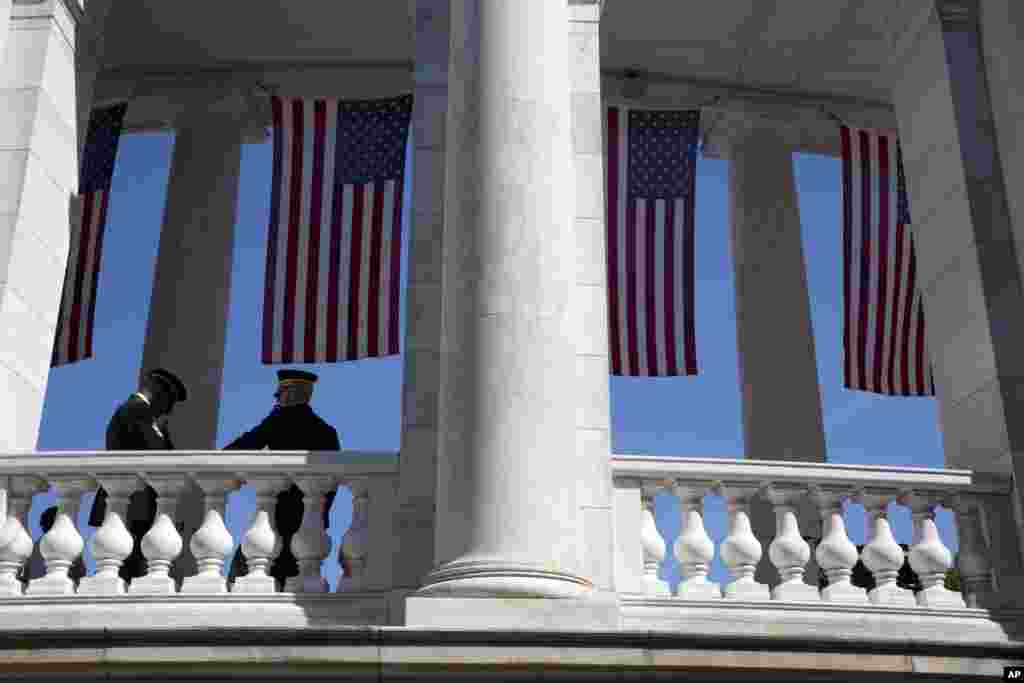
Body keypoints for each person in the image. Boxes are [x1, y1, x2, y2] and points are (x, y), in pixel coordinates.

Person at [224, 369, 340, 590]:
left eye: (279, 393)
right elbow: (331, 486)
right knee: (296, 587)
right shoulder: (327, 432)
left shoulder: (279, 420)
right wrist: (320, 516)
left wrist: (216, 458)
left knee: (241, 579)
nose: (276, 398)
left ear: (291, 394)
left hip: (276, 519)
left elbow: (246, 444)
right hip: (310, 523)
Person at [86, 368, 188, 582]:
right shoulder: (137, 410)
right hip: (132, 506)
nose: (168, 409)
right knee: (125, 571)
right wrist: (162, 433)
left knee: (129, 568)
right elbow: (157, 454)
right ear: (156, 390)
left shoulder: (141, 413)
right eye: (168, 400)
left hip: (133, 507)